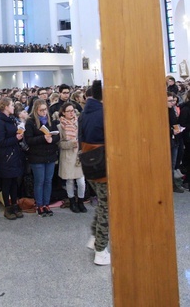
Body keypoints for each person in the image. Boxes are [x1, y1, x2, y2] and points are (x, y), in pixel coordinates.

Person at [79, 80, 110, 265]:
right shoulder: (103, 113)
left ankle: (94, 237)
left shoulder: (85, 113)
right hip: (103, 164)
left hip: (89, 164)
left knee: (102, 205)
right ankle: (100, 250)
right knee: (107, 208)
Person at [24, 98, 60, 217]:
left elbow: (57, 136)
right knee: (39, 181)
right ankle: (39, 204)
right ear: (36, 110)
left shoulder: (51, 120)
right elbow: (28, 140)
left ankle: (46, 204)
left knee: (48, 181)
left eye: (45, 110)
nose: (44, 112)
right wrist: (43, 138)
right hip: (37, 156)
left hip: (50, 155)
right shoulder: (30, 122)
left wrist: (52, 139)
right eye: (41, 110)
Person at [0, 97, 24, 220]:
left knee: (14, 181)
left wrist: (19, 134)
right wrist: (16, 138)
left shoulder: (10, 119)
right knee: (7, 182)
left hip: (14, 153)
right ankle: (7, 207)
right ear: (5, 106)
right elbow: (1, 141)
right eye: (11, 105)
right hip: (5, 155)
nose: (13, 107)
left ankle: (15, 204)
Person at [57, 103, 86, 213]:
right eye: (68, 111)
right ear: (63, 112)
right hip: (68, 155)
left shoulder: (79, 123)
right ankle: (72, 201)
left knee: (81, 181)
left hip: (79, 155)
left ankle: (81, 201)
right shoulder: (60, 126)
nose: (71, 113)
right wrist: (70, 144)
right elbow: (59, 143)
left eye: (72, 110)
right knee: (69, 181)